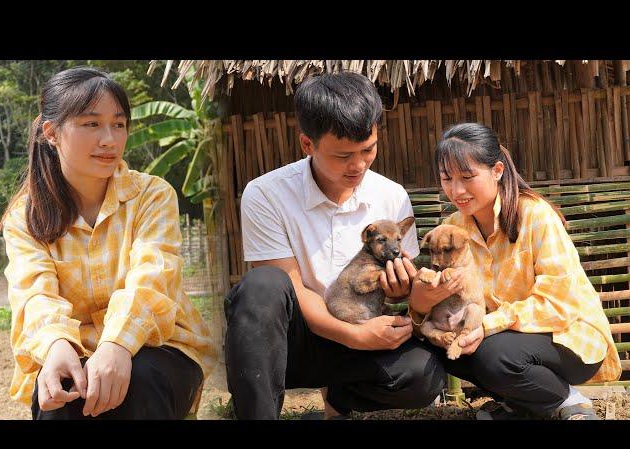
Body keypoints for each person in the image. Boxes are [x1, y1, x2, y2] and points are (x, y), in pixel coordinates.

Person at [224, 71, 464, 420]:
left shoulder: (391, 196)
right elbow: (290, 287)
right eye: (343, 156)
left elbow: (401, 293)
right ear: (308, 144)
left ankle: (338, 400)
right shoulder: (265, 194)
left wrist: (399, 293)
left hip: (363, 325)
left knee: (423, 374)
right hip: (295, 341)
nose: (359, 165)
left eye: (368, 149)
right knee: (261, 286)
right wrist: (353, 336)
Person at [1, 66, 217, 420]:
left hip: (160, 346)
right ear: (51, 133)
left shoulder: (152, 195)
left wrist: (117, 344)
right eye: (91, 124)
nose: (110, 139)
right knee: (61, 396)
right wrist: (56, 345)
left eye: (118, 124)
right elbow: (33, 293)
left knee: (142, 379)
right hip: (75, 349)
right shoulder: (26, 216)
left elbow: (151, 280)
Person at [408, 122, 622, 420]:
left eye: (468, 177)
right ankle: (522, 406)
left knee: (493, 354)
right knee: (445, 346)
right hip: (504, 337)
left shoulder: (535, 215)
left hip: (566, 335)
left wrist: (487, 325)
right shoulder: (454, 226)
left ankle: (568, 400)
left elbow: (557, 304)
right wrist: (423, 304)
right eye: (446, 178)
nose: (456, 190)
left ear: (497, 171)